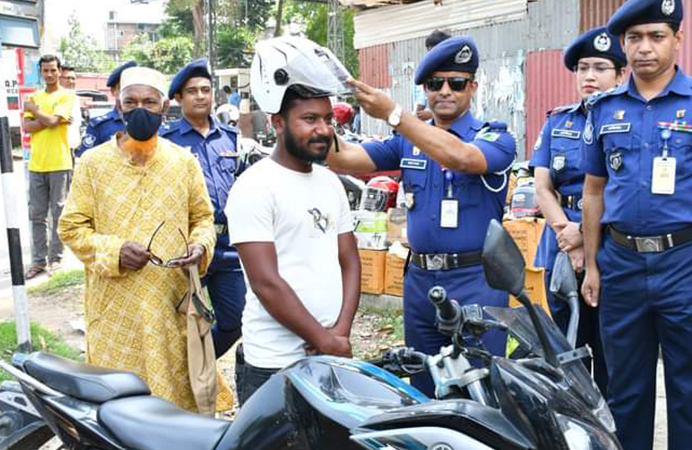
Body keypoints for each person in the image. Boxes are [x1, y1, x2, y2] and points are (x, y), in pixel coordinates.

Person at [580, 0, 692, 448]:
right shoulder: (602, 110)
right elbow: (593, 192)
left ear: (678, 39)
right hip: (621, 264)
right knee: (624, 393)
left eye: (656, 36)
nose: (645, 48)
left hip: (690, 265)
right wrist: (593, 265)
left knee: (690, 392)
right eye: (634, 38)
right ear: (623, 44)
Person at [327, 36, 516, 396]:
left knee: (480, 394)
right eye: (435, 84)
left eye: (456, 83)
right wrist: (319, 110)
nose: (445, 91)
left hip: (475, 281)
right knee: (424, 391)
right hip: (420, 283)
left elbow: (461, 158)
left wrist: (395, 116)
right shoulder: (406, 142)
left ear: (473, 87)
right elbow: (341, 158)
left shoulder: (494, 137)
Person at [58, 66, 216, 412]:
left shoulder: (183, 161)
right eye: (131, 101)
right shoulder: (92, 164)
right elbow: (71, 227)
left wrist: (199, 246)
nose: (139, 109)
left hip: (170, 306)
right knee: (119, 408)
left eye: (149, 101)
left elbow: (203, 218)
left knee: (174, 405)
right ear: (118, 107)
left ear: (163, 107)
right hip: (115, 312)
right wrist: (114, 251)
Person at [225, 36, 360, 403]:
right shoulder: (254, 187)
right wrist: (324, 339)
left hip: (331, 355)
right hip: (274, 364)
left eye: (328, 119)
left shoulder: (331, 182)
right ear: (278, 123)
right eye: (310, 119)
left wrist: (340, 333)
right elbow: (266, 282)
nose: (323, 129)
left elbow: (349, 259)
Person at [529, 26, 626, 396]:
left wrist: (586, 236)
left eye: (601, 68)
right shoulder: (559, 121)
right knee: (567, 348)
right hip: (562, 245)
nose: (589, 76)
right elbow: (542, 185)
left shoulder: (628, 122)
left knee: (612, 350)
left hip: (612, 243)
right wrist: (567, 235)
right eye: (583, 67)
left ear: (620, 74)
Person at [160, 58, 246, 359]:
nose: (200, 96)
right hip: (187, 245)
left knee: (235, 321)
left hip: (226, 246)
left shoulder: (231, 137)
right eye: (192, 91)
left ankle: (198, 367)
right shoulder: (166, 141)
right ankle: (183, 380)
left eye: (206, 90)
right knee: (178, 321)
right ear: (179, 98)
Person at [22, 54, 75, 279]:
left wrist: (35, 112)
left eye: (54, 70)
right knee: (37, 215)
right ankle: (38, 262)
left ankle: (56, 259)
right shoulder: (34, 96)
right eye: (46, 70)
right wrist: (49, 119)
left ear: (59, 71)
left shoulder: (66, 96)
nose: (50, 74)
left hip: (60, 162)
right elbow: (26, 127)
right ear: (41, 72)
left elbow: (52, 122)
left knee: (59, 213)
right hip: (36, 164)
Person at [77, 61, 137, 156]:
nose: (128, 93)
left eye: (132, 88)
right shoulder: (100, 125)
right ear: (113, 91)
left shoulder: (148, 122)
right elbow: (84, 159)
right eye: (123, 88)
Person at [414, 30, 451, 122]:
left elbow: (462, 109)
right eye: (430, 52)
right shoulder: (424, 74)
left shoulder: (457, 76)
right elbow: (419, 107)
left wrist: (433, 114)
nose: (432, 56)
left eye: (436, 51)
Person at [60, 65, 83, 156]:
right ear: (59, 79)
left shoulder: (75, 98)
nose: (71, 81)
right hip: (58, 149)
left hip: (71, 150)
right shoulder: (54, 97)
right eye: (67, 78)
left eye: (73, 78)